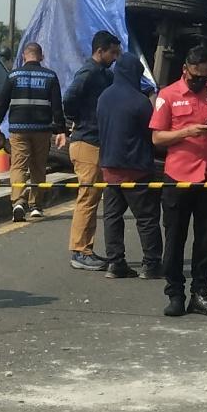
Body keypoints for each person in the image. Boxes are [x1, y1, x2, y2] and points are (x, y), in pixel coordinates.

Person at [149, 45, 207, 317]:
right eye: (195, 77)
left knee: (205, 240)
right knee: (175, 239)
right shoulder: (168, 95)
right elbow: (157, 138)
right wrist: (185, 132)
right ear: (185, 70)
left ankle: (201, 293)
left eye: (205, 77)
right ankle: (175, 293)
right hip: (179, 176)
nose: (200, 82)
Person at [95, 53, 163, 280]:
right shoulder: (139, 101)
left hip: (109, 168)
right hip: (136, 168)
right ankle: (151, 264)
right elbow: (151, 132)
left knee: (112, 216)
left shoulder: (104, 97)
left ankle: (116, 262)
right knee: (146, 218)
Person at [60, 31, 119, 270]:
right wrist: (77, 118)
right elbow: (69, 98)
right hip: (87, 142)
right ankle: (79, 251)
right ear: (100, 51)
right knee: (87, 198)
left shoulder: (103, 73)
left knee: (93, 199)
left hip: (95, 141)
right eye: (112, 52)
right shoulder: (90, 72)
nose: (115, 57)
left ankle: (87, 248)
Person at [0, 42, 65, 221]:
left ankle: (18, 202)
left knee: (18, 165)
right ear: (41, 56)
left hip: (18, 129)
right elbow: (56, 107)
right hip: (42, 129)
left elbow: (2, 103)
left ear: (24, 56)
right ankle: (36, 206)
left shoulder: (13, 76)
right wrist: (61, 130)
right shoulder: (50, 76)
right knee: (39, 166)